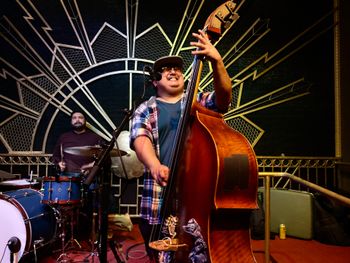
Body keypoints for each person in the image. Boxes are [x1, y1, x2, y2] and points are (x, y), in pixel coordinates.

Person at [130, 29, 232, 262]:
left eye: (177, 68)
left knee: (199, 253)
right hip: (159, 194)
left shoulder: (199, 102)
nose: (173, 71)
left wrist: (217, 61)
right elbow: (140, 139)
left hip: (198, 193)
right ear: (155, 81)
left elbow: (224, 99)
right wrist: (155, 166)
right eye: (166, 70)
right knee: (160, 255)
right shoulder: (145, 108)